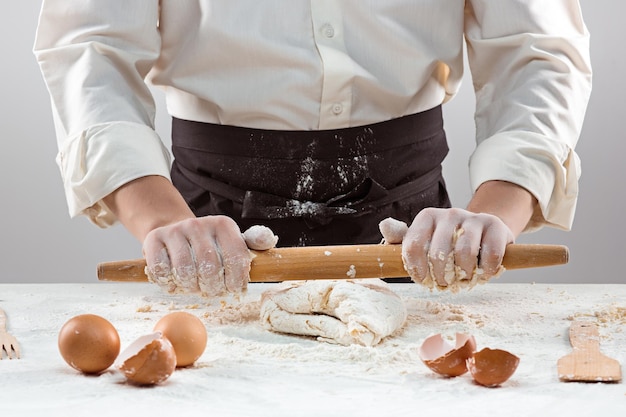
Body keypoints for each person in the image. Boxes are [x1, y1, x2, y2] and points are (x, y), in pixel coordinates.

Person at [33, 1, 592, 296]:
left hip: (421, 238)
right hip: (204, 228)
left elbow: (538, 52)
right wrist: (159, 218)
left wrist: (492, 217)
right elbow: (90, 48)